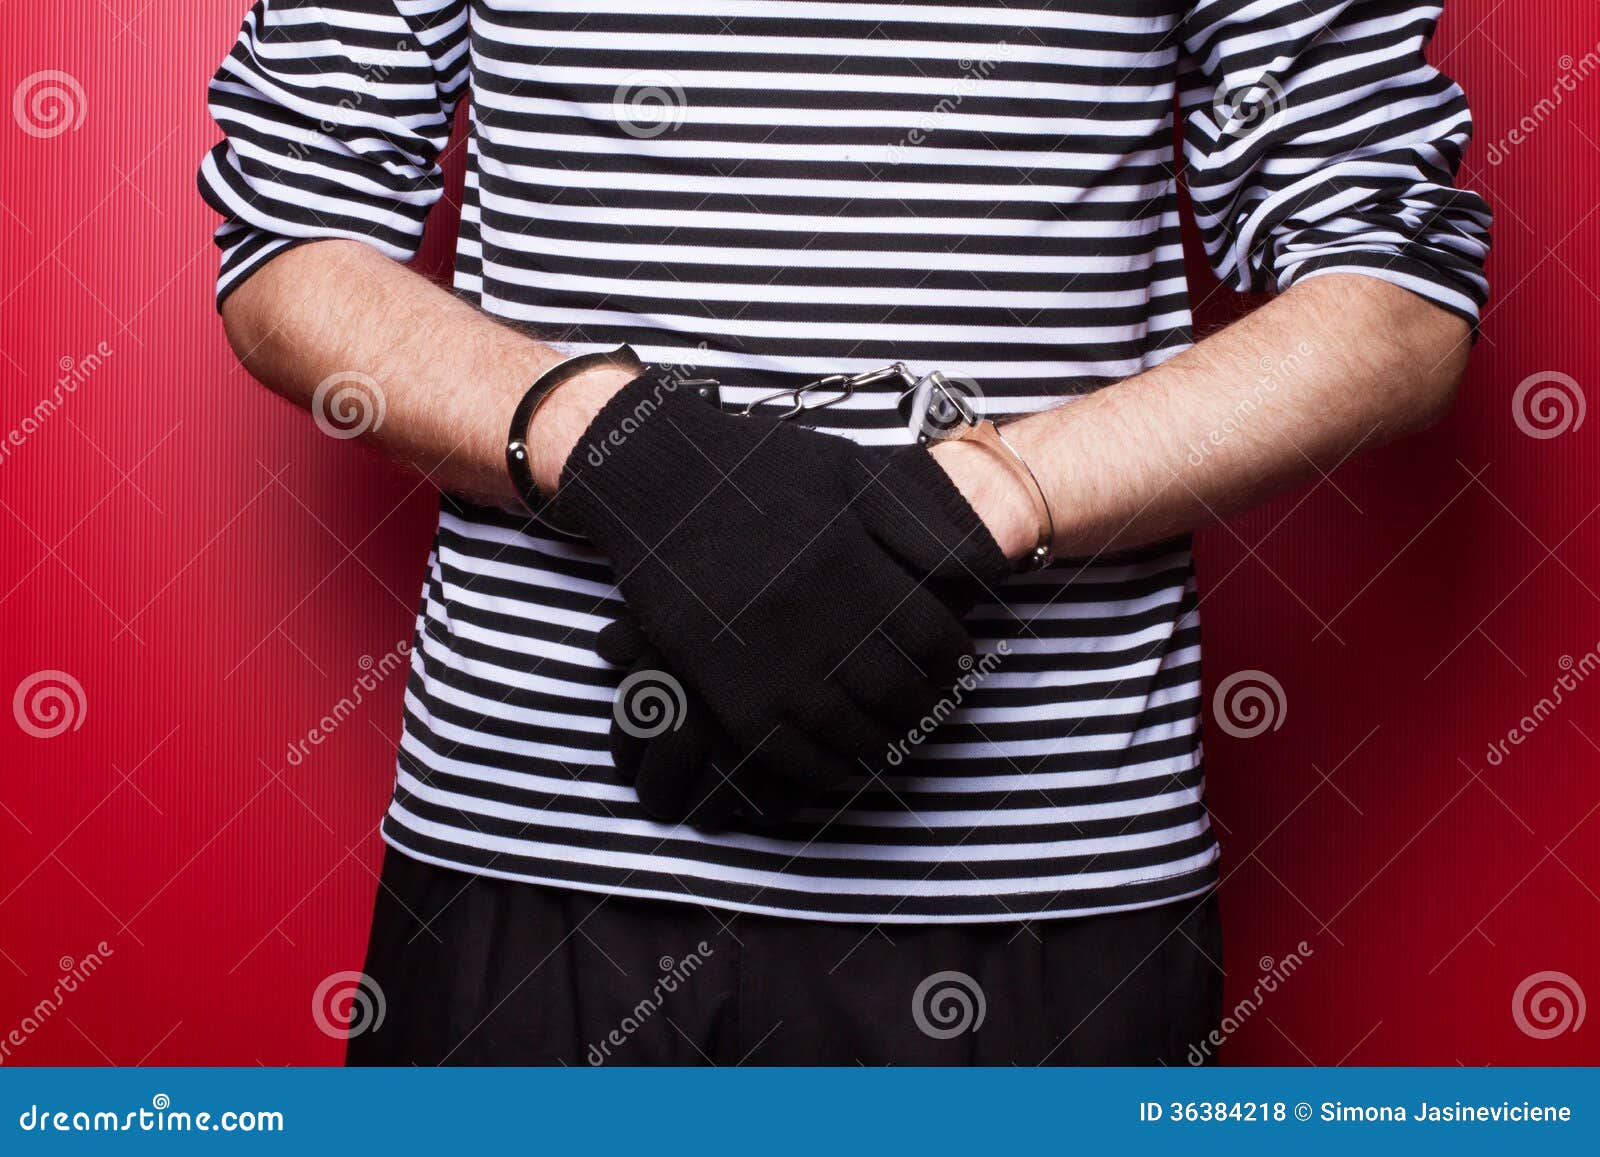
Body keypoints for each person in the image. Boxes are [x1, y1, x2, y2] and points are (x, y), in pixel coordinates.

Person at [199, 0, 1490, 1065]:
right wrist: (636, 459)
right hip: (534, 870)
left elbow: (1394, 304)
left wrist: (980, 500)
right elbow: (288, 238)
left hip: (1047, 898)